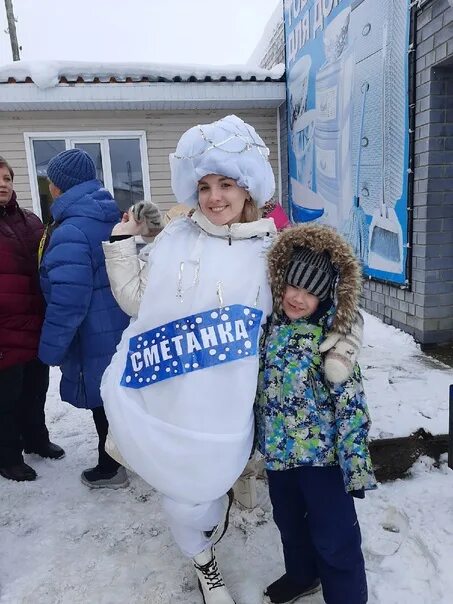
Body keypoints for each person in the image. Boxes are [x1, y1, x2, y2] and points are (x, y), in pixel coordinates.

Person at [101, 115, 278, 604]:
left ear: (248, 189)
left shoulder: (272, 252)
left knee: (209, 486)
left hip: (226, 405)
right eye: (204, 185)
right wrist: (121, 245)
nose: (214, 197)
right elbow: (140, 303)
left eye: (226, 184)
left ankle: (215, 518)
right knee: (181, 498)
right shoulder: (175, 239)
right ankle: (205, 565)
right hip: (169, 395)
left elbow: (303, 317)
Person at [255, 223, 377, 604]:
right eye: (293, 287)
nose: (298, 298)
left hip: (323, 462)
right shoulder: (268, 329)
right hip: (279, 456)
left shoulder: (333, 341)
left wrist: (355, 462)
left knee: (334, 537)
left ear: (324, 297)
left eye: (310, 292)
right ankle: (302, 576)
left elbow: (351, 404)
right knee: (290, 526)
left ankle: (347, 597)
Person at [38, 148, 129, 488]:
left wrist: (50, 349)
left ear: (59, 186)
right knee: (116, 397)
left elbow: (68, 301)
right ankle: (128, 457)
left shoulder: (71, 231)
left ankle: (110, 467)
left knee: (100, 399)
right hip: (117, 327)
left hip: (93, 333)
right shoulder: (109, 217)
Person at [0, 156, 64, 482]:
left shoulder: (30, 220)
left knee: (36, 390)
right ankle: (7, 456)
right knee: (6, 399)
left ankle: (36, 440)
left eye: (7, 178)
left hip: (35, 322)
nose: (3, 184)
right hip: (4, 330)